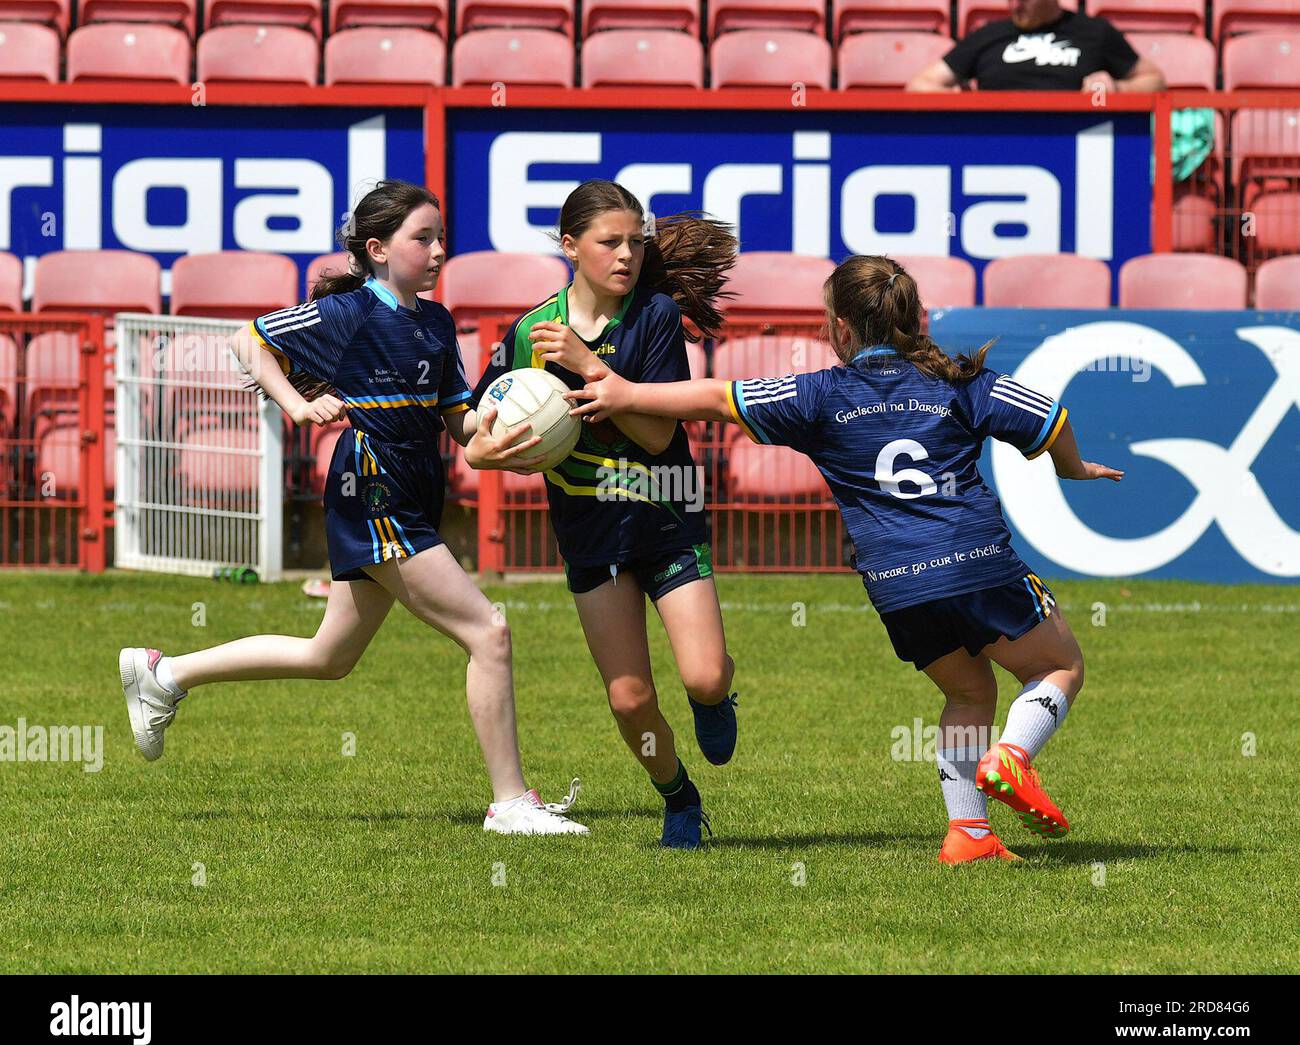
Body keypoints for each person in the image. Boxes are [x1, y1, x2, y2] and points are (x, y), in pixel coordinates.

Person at [554, 254, 1125, 864]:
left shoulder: (817, 394)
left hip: (897, 588)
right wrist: (1072, 467)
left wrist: (625, 391)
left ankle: (970, 835)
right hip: (976, 562)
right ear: (915, 319)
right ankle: (1012, 758)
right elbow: (1048, 417)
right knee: (1059, 666)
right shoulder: (960, 384)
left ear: (842, 330)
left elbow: (718, 399)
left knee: (968, 691)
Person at [119, 179, 587, 837]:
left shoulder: (436, 320)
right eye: (421, 238)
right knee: (489, 632)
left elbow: (461, 427)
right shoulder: (351, 314)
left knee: (329, 656)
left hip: (414, 488)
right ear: (376, 247)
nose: (436, 250)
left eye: (440, 237)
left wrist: (514, 433)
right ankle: (510, 802)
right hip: (371, 487)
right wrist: (298, 404)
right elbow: (247, 341)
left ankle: (166, 675)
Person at [469, 180, 739, 850]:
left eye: (634, 242)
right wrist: (491, 450)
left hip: (665, 517)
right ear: (570, 246)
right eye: (608, 242)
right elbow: (477, 427)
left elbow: (655, 438)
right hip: (591, 533)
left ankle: (713, 701)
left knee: (704, 674)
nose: (626, 255)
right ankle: (678, 797)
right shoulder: (532, 331)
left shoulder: (651, 318)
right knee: (629, 700)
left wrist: (590, 367)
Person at [907, 0, 1165, 93]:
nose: (1014, 5)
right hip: (998, 145)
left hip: (1080, 145)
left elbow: (1155, 80)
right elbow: (920, 84)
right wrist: (958, 102)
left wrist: (1117, 87)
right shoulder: (988, 35)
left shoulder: (1094, 32)